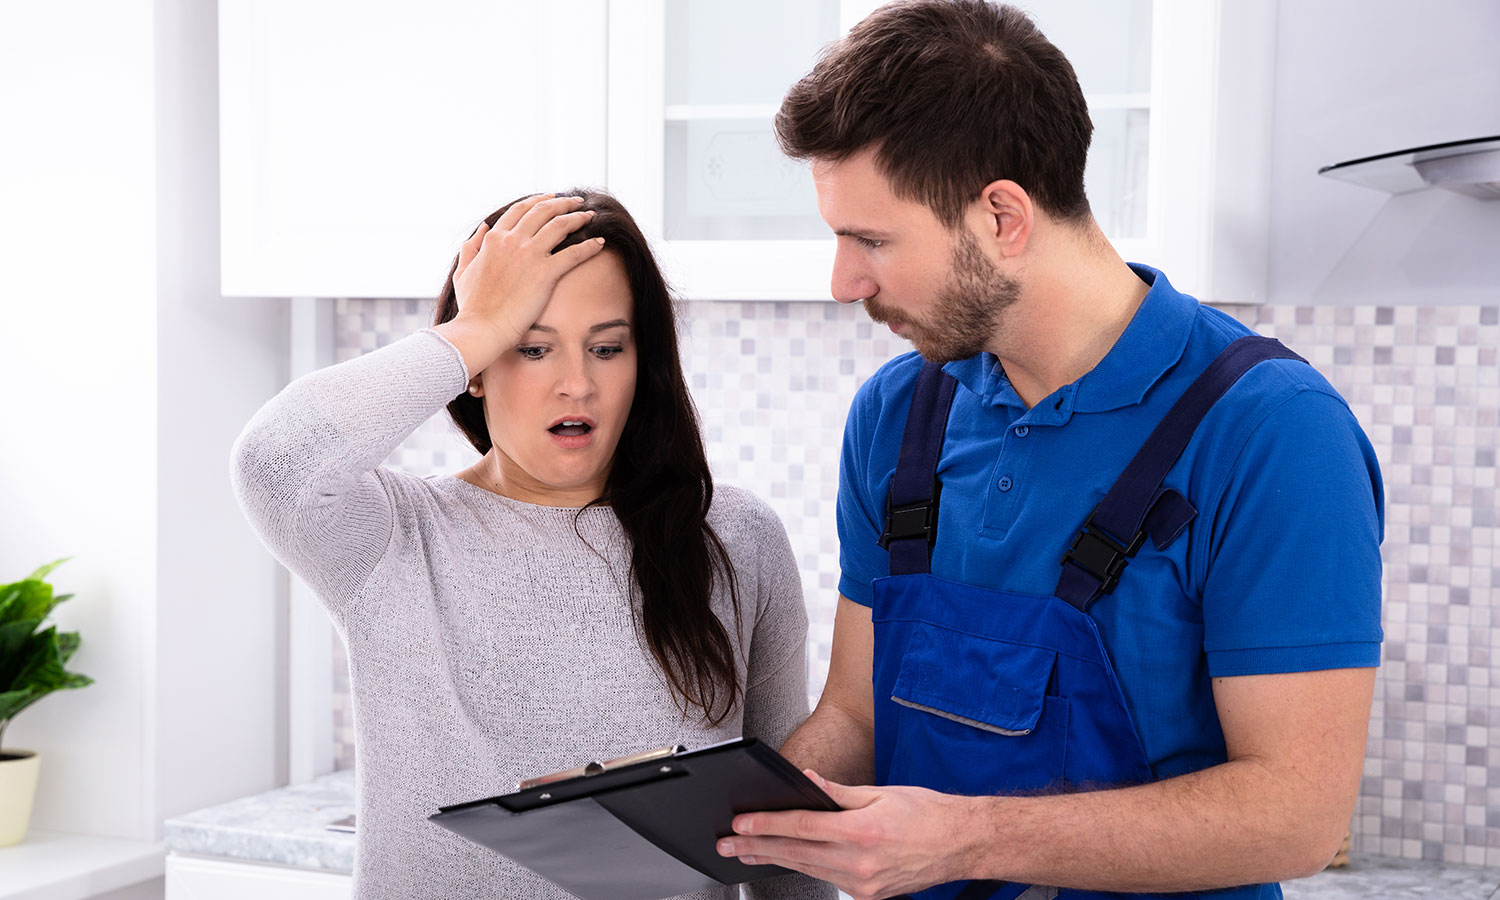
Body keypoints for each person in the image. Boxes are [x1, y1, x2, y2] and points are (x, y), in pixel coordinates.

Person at [714, 4, 1384, 900]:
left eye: (871, 240)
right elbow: (854, 714)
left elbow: (1296, 815)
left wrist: (962, 841)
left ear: (1002, 216)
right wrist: (725, 824)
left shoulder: (1274, 434)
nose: (845, 284)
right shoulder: (897, 414)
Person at [232, 190, 834, 900]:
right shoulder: (396, 538)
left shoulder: (734, 539)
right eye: (532, 346)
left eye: (607, 347)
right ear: (477, 368)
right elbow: (276, 462)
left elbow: (786, 844)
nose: (576, 383)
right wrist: (478, 323)